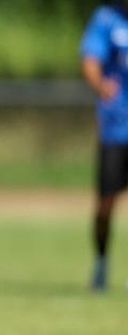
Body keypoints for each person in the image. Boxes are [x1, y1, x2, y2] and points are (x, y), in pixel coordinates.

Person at [82, 0, 128, 292]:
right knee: (106, 204)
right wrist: (100, 86)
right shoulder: (107, 18)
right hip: (116, 128)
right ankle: (101, 260)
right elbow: (90, 60)